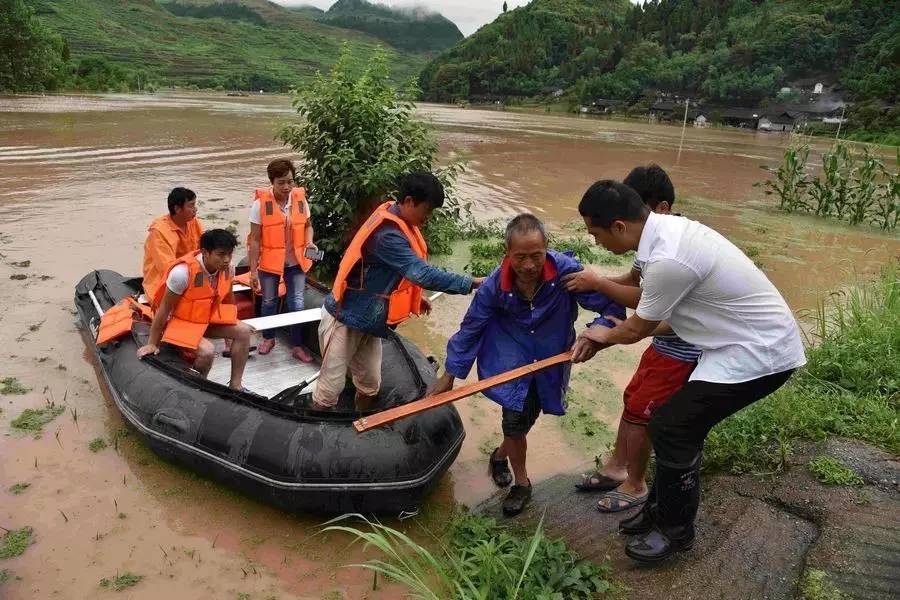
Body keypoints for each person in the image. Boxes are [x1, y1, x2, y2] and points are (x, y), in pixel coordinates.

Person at [570, 180, 806, 563]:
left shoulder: (668, 259)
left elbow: (639, 328)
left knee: (672, 427)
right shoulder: (661, 234)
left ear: (618, 227)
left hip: (759, 352)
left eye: (595, 233)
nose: (595, 243)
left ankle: (675, 532)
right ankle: (659, 513)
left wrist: (602, 336)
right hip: (726, 343)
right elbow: (652, 308)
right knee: (675, 425)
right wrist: (603, 304)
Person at [431, 214, 625, 516]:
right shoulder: (495, 285)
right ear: (507, 253)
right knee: (515, 422)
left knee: (525, 421)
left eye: (536, 255)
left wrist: (594, 335)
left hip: (550, 360)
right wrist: (449, 376)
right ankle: (522, 484)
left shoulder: (566, 274)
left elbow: (611, 307)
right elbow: (471, 328)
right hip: (511, 361)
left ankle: (498, 456)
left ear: (547, 248)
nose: (530, 265)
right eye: (520, 257)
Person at [563, 165, 700, 514]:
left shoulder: (672, 251)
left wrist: (609, 329)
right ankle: (616, 466)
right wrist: (596, 281)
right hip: (663, 347)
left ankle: (636, 484)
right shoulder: (647, 239)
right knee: (632, 399)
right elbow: (632, 280)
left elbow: (652, 310)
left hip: (683, 349)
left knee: (644, 413)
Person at [313, 172, 482, 410]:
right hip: (344, 318)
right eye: (427, 210)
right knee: (327, 393)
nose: (428, 217)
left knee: (370, 386)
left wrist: (416, 297)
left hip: (369, 323)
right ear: (410, 201)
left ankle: (360, 426)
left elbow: (388, 273)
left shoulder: (399, 220)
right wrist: (471, 283)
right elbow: (420, 272)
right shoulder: (388, 236)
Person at [137, 229, 253, 391]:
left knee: (244, 331)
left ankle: (236, 385)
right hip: (179, 322)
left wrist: (230, 333)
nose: (226, 260)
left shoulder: (228, 269)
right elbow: (164, 309)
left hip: (204, 319)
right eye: (221, 254)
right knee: (207, 351)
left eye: (229, 254)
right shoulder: (182, 274)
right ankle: (199, 388)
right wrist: (152, 343)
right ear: (205, 252)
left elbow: (228, 298)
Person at [247, 158, 317, 362]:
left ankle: (297, 345)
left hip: (295, 261)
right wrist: (252, 271)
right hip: (270, 263)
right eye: (281, 182)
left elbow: (307, 226)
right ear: (272, 181)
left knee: (297, 303)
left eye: (290, 181)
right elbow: (255, 241)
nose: (286, 187)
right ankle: (269, 338)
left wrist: (310, 242)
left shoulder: (300, 200)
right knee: (269, 301)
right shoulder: (259, 205)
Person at [142, 187, 204, 300]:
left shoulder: (193, 222)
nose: (195, 209)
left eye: (195, 205)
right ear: (177, 209)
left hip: (192, 274)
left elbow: (204, 251)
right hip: (165, 281)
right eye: (191, 205)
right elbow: (167, 269)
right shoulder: (159, 231)